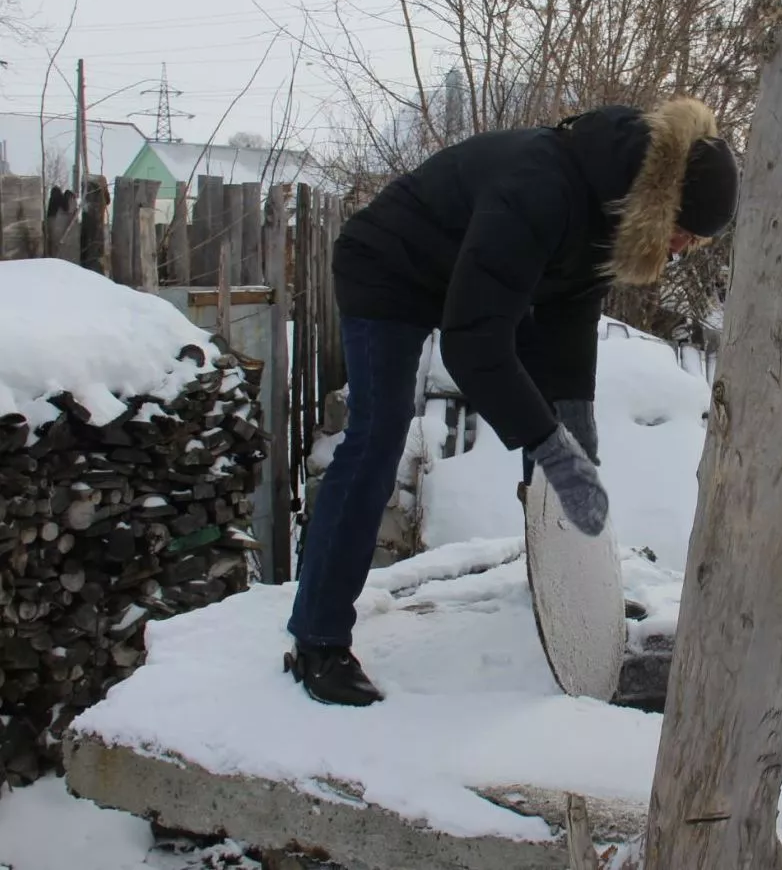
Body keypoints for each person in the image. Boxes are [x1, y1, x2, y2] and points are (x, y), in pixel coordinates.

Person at [284, 96, 740, 706]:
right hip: (390, 270)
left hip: (475, 278)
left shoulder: (615, 203)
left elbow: (570, 324)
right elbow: (473, 346)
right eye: (686, 233)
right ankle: (317, 639)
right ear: (666, 204)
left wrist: (574, 437)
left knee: (565, 439)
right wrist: (551, 446)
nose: (683, 249)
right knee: (378, 434)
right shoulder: (542, 189)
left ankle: (561, 584)